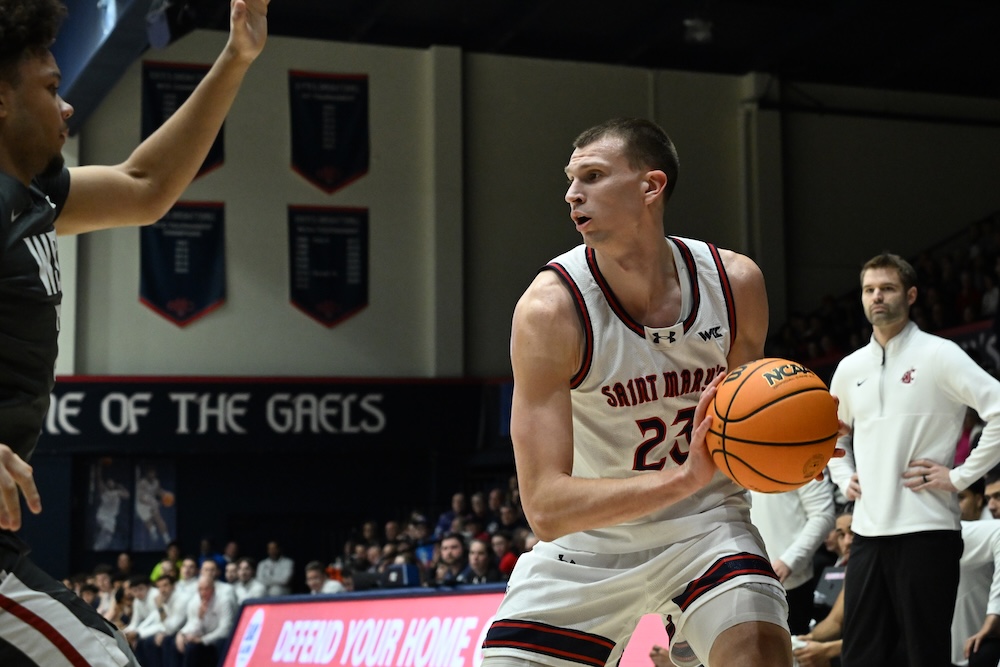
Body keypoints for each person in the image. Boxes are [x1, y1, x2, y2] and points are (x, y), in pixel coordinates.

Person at [0, 0, 269, 661]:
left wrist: (237, 55)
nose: (66, 108)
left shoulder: (32, 196)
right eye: (52, 89)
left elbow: (145, 185)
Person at [480, 118, 792, 667]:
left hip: (707, 531)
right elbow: (546, 508)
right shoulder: (551, 310)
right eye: (571, 180)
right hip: (585, 549)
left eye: (593, 176)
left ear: (651, 186)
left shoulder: (735, 283)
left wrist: (790, 445)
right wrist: (682, 478)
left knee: (759, 652)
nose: (572, 193)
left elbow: (750, 422)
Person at [827, 252, 1000, 667]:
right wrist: (841, 474)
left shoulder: (940, 354)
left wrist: (961, 477)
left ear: (912, 294)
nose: (877, 298)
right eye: (869, 290)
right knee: (860, 655)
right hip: (868, 535)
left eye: (886, 288)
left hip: (928, 531)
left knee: (924, 656)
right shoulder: (850, 368)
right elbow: (831, 437)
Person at [749, 478, 836, 635]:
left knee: (791, 652)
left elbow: (822, 514)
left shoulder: (802, 456)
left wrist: (789, 561)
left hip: (791, 582)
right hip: (742, 578)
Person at [171, 574, 236, 667]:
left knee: (221, 643)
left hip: (218, 638)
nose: (203, 592)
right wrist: (182, 633)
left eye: (206, 589)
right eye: (200, 589)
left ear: (213, 588)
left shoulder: (224, 600)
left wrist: (203, 640)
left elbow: (225, 629)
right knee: (185, 646)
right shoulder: (195, 601)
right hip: (202, 637)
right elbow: (193, 625)